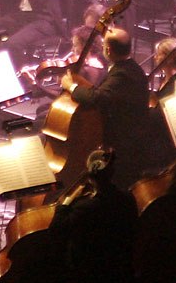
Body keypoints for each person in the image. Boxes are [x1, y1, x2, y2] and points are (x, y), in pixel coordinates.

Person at [65, 28, 155, 186]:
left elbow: (97, 98)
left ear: (108, 50)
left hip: (125, 146)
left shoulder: (122, 74)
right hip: (130, 138)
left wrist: (71, 87)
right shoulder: (131, 67)